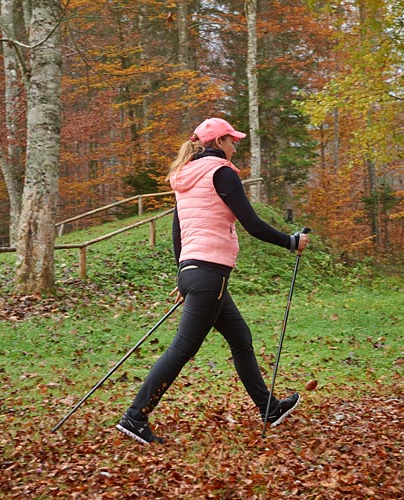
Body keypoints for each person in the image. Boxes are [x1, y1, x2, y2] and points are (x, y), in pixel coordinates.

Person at [116, 117, 309, 445]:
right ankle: (135, 416)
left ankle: (269, 409)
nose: (235, 146)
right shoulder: (221, 172)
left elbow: (178, 231)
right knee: (182, 348)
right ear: (218, 141)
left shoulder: (185, 176)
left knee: (240, 337)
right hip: (210, 274)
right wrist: (291, 242)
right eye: (232, 140)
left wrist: (183, 274)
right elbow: (252, 223)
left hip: (196, 272)